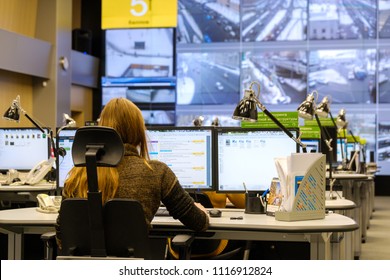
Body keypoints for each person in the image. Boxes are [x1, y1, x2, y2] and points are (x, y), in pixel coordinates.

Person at [55, 98, 209, 251]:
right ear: (138, 130)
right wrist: (200, 211)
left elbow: (62, 236)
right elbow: (199, 223)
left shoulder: (78, 175)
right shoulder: (156, 172)